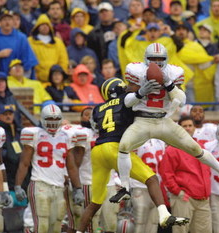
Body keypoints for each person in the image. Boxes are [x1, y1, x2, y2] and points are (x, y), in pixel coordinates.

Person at [115, 43, 219, 203]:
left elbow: (182, 100)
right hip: (142, 120)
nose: (156, 62)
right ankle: (125, 188)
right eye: (152, 59)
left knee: (195, 149)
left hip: (164, 121)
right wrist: (141, 92)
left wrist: (168, 84)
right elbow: (127, 103)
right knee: (123, 147)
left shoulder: (173, 72)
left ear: (166, 59)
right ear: (145, 59)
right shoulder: (137, 71)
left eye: (159, 59)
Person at [76, 78, 190, 233]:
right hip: (115, 147)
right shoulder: (127, 100)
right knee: (151, 179)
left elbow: (95, 125)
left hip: (98, 150)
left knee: (95, 202)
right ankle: (163, 213)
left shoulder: (97, 109)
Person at [14, 104, 85, 233]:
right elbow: (24, 163)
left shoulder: (66, 136)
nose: (52, 123)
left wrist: (77, 188)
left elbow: (71, 166)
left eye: (55, 119)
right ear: (42, 119)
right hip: (40, 183)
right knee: (42, 223)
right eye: (49, 119)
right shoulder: (34, 134)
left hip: (59, 186)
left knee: (57, 224)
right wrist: (18, 185)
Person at [160, 116, 212, 233]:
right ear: (180, 129)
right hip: (184, 198)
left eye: (190, 126)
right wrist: (178, 192)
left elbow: (206, 171)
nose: (188, 128)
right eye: (185, 126)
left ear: (194, 128)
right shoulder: (173, 149)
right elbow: (166, 174)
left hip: (203, 199)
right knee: (180, 231)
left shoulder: (201, 147)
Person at [0, 10, 38, 77]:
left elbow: (28, 61)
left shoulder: (21, 38)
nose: (7, 22)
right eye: (4, 20)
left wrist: (23, 79)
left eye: (9, 19)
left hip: (17, 79)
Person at [28, 14, 69, 83]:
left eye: (47, 25)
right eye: (42, 25)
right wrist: (34, 75)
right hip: (36, 81)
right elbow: (28, 59)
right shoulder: (29, 41)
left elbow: (63, 61)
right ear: (37, 26)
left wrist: (60, 76)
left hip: (55, 82)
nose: (45, 27)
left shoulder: (58, 42)